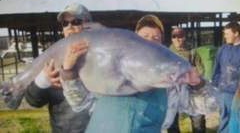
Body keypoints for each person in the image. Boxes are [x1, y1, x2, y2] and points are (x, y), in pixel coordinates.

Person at [60, 14, 202, 133]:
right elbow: (80, 103)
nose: (150, 42)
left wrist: (197, 85)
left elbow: (199, 107)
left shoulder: (170, 82)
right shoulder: (108, 71)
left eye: (156, 38)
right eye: (144, 37)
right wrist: (68, 72)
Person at [25, 3, 92, 133]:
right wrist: (44, 80)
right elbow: (33, 101)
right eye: (65, 24)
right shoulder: (51, 58)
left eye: (76, 21)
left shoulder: (102, 56)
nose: (70, 27)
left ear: (89, 25)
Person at [168, 27, 206, 133]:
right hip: (173, 92)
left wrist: (193, 77)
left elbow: (201, 69)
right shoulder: (167, 53)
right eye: (174, 37)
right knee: (172, 122)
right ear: (171, 38)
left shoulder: (192, 52)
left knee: (198, 120)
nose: (177, 39)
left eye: (180, 37)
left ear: (184, 38)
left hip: (191, 91)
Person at [212, 21, 240, 133]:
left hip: (237, 93)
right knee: (224, 119)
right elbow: (216, 69)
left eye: (227, 34)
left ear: (236, 33)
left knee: (236, 121)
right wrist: (215, 86)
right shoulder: (222, 49)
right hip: (223, 92)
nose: (225, 36)